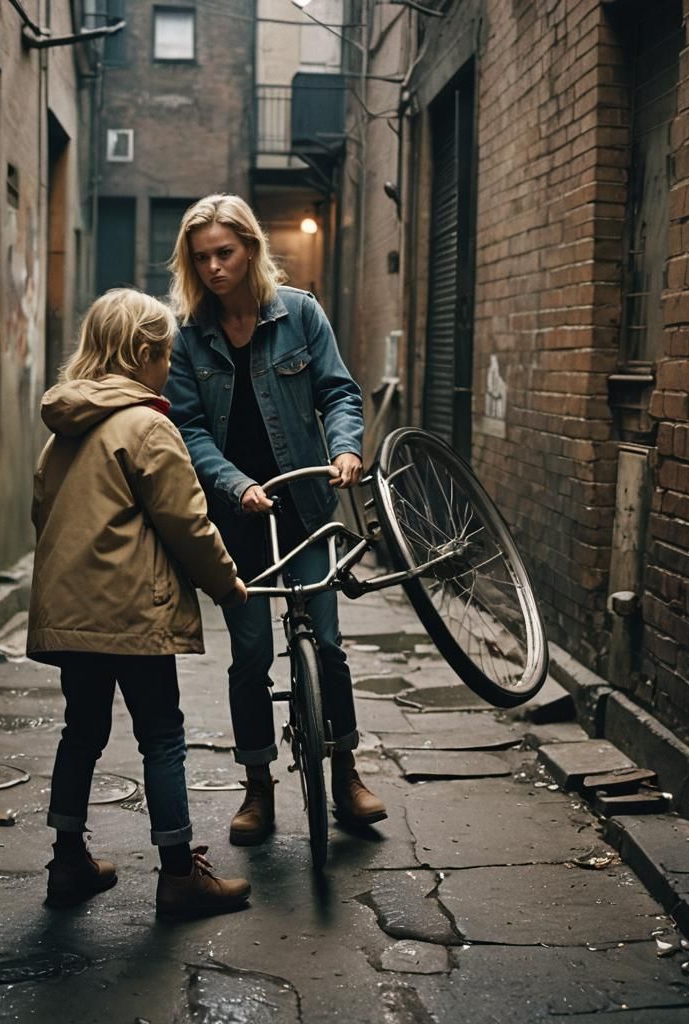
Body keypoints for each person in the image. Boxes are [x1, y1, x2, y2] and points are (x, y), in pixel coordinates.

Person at [164, 194, 387, 847]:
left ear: (251, 250)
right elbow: (188, 428)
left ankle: (345, 771)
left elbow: (338, 391)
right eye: (200, 257)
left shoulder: (300, 313)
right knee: (251, 654)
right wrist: (236, 485)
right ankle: (257, 784)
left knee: (328, 642)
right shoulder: (188, 336)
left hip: (305, 506)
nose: (213, 267)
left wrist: (346, 449)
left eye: (224, 253)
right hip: (236, 518)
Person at [26, 287, 251, 918]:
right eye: (167, 356)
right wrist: (226, 582)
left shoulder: (63, 431)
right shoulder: (149, 426)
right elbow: (187, 522)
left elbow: (41, 513)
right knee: (162, 736)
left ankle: (67, 862)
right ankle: (178, 874)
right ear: (144, 355)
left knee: (82, 732)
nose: (170, 367)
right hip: (133, 614)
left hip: (74, 615)